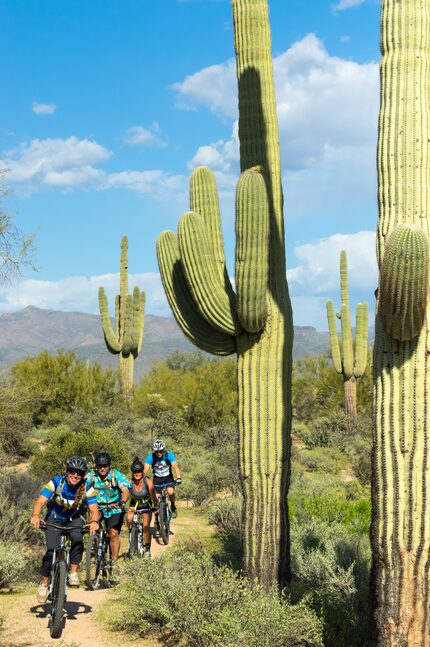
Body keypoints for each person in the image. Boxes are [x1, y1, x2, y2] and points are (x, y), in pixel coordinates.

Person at [30, 456, 99, 604]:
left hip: (74, 518)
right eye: (72, 471)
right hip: (54, 518)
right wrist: (36, 516)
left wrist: (94, 521)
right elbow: (40, 501)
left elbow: (94, 510)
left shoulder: (87, 487)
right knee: (51, 551)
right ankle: (44, 583)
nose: (75, 475)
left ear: (83, 475)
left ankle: (73, 572)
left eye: (79, 473)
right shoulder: (56, 482)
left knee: (78, 538)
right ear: (67, 471)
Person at [86, 451, 130, 566]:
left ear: (109, 465)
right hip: (97, 507)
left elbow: (125, 490)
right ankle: (94, 545)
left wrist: (123, 501)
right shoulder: (91, 476)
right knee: (92, 525)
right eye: (99, 466)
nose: (102, 468)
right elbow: (82, 487)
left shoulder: (116, 476)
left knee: (113, 532)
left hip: (114, 507)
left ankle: (113, 561)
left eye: (105, 466)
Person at [127, 456, 158, 557]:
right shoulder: (130, 482)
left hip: (146, 504)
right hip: (134, 503)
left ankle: (147, 548)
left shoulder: (147, 482)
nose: (137, 473)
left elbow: (153, 495)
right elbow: (126, 495)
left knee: (145, 527)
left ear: (142, 472)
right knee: (129, 518)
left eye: (139, 471)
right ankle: (132, 536)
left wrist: (156, 506)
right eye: (135, 471)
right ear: (132, 472)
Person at [144, 440, 181, 525]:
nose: (159, 453)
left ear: (163, 450)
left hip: (168, 477)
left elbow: (175, 467)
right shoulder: (151, 457)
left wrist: (178, 477)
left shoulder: (169, 455)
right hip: (157, 478)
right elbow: (146, 468)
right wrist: (142, 477)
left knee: (170, 492)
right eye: (156, 452)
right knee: (156, 498)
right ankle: (157, 517)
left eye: (160, 451)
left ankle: (172, 506)